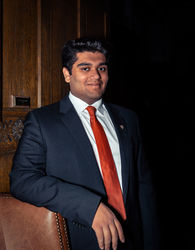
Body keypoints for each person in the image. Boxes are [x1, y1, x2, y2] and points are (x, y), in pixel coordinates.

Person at [10, 37, 160, 250]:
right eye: (85, 68)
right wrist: (90, 207)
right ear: (67, 74)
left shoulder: (129, 119)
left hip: (131, 241)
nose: (96, 76)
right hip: (81, 241)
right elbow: (22, 180)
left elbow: (144, 188)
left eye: (102, 68)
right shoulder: (42, 121)